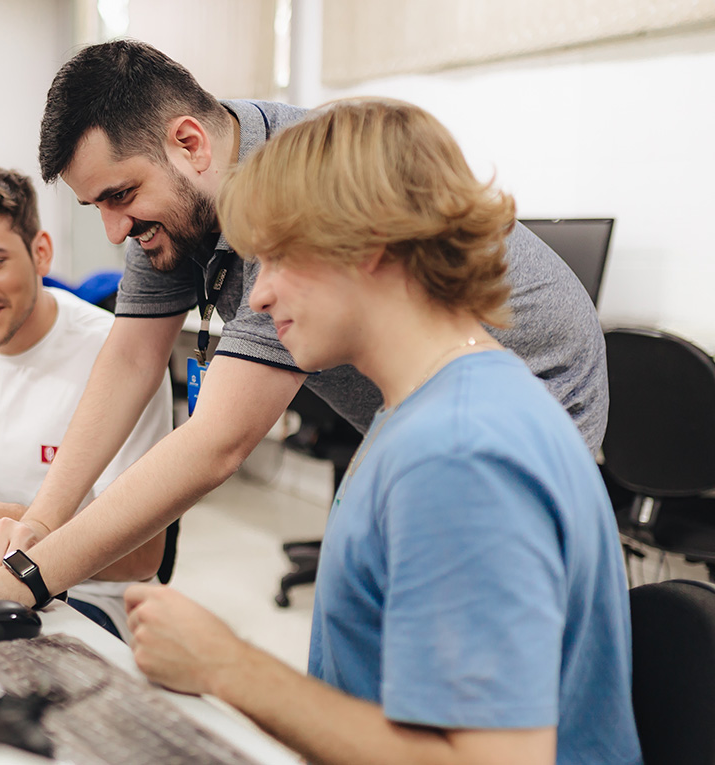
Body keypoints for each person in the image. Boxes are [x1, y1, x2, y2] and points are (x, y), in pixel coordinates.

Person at [0, 40, 608, 621]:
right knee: (364, 616)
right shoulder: (173, 204)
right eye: (96, 204)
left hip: (525, 403)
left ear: (189, 142)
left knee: (435, 621)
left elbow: (218, 439)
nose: (114, 229)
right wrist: (37, 525)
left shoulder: (300, 204)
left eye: (120, 196)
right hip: (404, 416)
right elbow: (131, 357)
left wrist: (27, 577)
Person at [123, 97, 640, 765]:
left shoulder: (460, 453)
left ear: (371, 246)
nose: (257, 296)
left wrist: (228, 667)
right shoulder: (426, 410)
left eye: (278, 259)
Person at [0, 164, 173, 637]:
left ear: (40, 252)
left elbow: (144, 558)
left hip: (84, 597)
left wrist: (13, 523)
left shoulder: (121, 357)